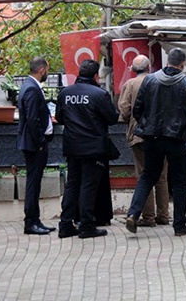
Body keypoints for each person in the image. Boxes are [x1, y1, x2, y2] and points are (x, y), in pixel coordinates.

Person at [125, 48, 186, 236]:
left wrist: (148, 125)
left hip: (152, 136)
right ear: (183, 64)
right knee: (180, 181)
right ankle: (179, 225)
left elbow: (137, 109)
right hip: (176, 138)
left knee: (148, 176)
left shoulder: (150, 80)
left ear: (167, 63)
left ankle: (133, 213)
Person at [56, 59, 119, 239]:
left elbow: (59, 117)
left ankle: (66, 224)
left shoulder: (65, 93)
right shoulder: (99, 94)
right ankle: (87, 225)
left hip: (72, 146)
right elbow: (112, 118)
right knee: (88, 186)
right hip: (93, 147)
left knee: (72, 185)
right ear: (95, 75)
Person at [118, 55, 170, 227]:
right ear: (150, 67)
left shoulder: (130, 84)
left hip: (139, 135)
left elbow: (124, 109)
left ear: (132, 69)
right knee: (161, 176)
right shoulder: (160, 81)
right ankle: (163, 214)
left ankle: (148, 217)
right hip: (161, 134)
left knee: (144, 175)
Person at [17, 57, 56, 235]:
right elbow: (32, 119)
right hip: (35, 144)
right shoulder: (32, 89)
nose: (47, 73)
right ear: (42, 70)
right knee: (33, 183)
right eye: (47, 69)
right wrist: (41, 142)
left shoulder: (28, 86)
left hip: (34, 142)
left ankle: (35, 220)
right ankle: (31, 222)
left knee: (35, 182)